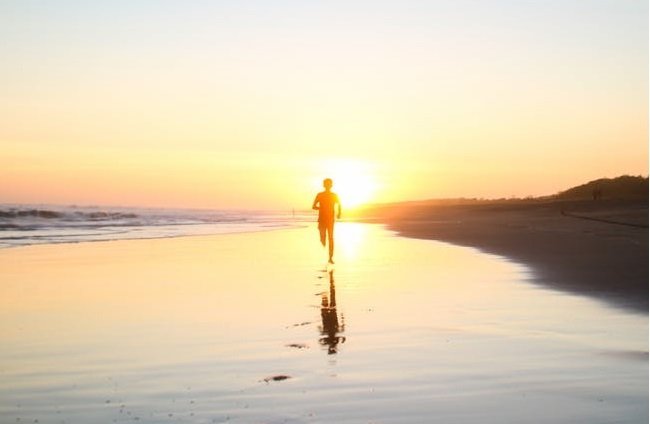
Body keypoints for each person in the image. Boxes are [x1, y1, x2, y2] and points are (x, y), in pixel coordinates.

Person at [312, 178, 342, 263]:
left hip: (330, 219)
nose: (328, 186)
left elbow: (339, 204)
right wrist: (321, 208)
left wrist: (339, 213)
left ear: (331, 185)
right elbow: (313, 206)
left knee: (331, 238)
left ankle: (330, 257)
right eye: (326, 184)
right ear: (324, 185)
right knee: (323, 237)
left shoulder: (334, 195)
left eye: (329, 184)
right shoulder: (319, 195)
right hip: (322, 219)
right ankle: (322, 240)